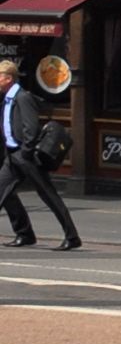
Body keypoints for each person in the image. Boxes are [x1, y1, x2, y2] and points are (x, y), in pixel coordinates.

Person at [0, 58, 79, 250]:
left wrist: (26, 151)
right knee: (4, 192)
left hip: (26, 155)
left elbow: (31, 127)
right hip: (11, 156)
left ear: (8, 78)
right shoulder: (6, 99)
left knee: (48, 195)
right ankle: (24, 233)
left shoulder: (23, 97)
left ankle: (72, 236)